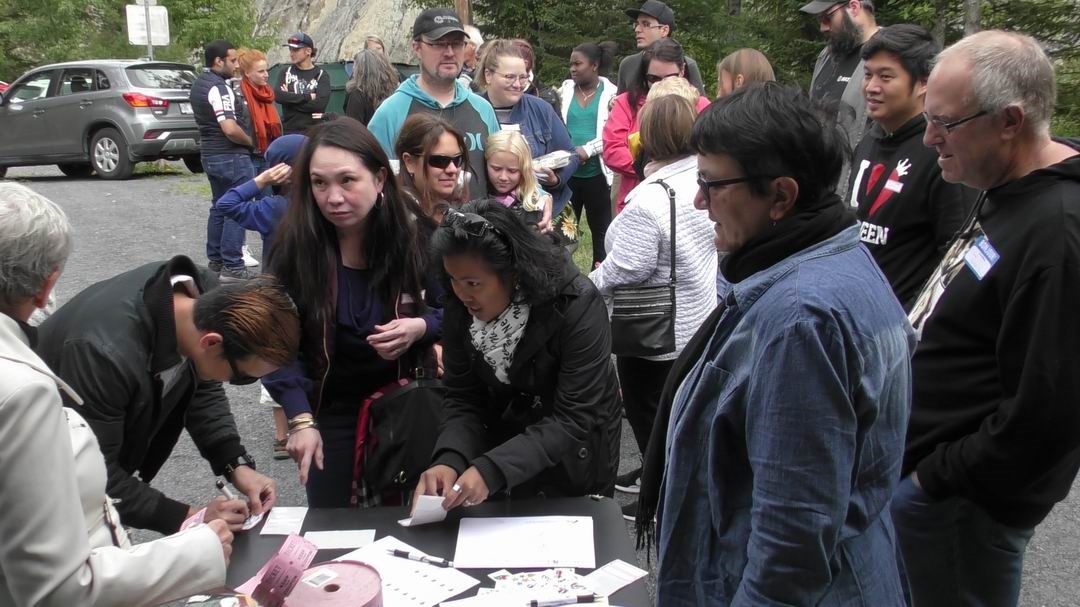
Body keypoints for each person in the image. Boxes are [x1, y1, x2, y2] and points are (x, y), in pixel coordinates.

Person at [636, 83, 914, 605]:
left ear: (781, 196)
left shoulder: (800, 320)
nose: (698, 201)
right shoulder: (836, 256)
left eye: (711, 184)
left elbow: (792, 543)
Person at [897, 31, 1080, 607]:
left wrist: (933, 480)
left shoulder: (1058, 234)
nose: (929, 139)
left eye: (945, 123)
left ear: (1010, 121)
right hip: (939, 491)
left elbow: (1048, 413)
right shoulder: (1007, 183)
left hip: (963, 506)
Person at [0, 183, 234, 606]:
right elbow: (58, 589)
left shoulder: (181, 298)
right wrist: (198, 547)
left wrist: (232, 458)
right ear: (46, 285)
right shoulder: (24, 391)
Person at [37, 258, 297, 535]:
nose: (236, 382)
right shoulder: (103, 355)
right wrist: (190, 519)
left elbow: (199, 383)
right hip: (40, 485)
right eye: (243, 376)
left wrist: (235, 463)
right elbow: (93, 477)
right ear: (211, 342)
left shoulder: (202, 301)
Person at [264, 117, 444, 508]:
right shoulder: (294, 248)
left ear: (379, 179)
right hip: (330, 412)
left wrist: (421, 326)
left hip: (409, 403)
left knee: (416, 522)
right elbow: (274, 341)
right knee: (333, 527)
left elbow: (461, 313)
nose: (333, 197)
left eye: (347, 180)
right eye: (319, 183)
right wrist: (299, 418)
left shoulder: (417, 237)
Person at [414, 201, 622, 509]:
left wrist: (492, 470)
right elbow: (463, 397)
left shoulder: (577, 304)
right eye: (453, 279)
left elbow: (574, 416)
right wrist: (450, 457)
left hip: (575, 456)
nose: (462, 294)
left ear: (513, 273)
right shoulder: (460, 308)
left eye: (473, 283)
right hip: (505, 451)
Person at [589, 94, 717, 522]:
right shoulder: (700, 179)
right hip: (697, 315)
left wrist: (590, 285)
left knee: (652, 417)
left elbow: (629, 266)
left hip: (655, 332)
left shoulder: (651, 200)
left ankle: (660, 497)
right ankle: (663, 479)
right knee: (678, 412)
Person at [847, 25, 974, 311]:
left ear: (923, 83)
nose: (871, 87)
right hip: (856, 314)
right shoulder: (868, 141)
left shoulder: (941, 154)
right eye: (867, 74)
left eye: (886, 76)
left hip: (904, 323)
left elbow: (955, 258)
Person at [216, 133, 308, 461]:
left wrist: (261, 180)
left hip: (276, 296)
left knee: (276, 356)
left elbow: (226, 204)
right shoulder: (317, 206)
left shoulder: (273, 208)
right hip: (311, 294)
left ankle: (283, 434)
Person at [368, 8, 499, 195]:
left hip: (481, 214)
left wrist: (535, 195)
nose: (449, 52)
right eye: (438, 44)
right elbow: (373, 185)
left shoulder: (483, 109)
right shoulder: (390, 113)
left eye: (457, 44)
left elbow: (505, 173)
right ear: (417, 48)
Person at [604, 39, 711, 214]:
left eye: (669, 77)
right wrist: (646, 168)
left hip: (690, 198)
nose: (661, 84)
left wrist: (673, 170)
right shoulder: (626, 103)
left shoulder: (700, 104)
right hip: (637, 195)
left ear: (682, 70)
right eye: (654, 79)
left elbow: (711, 149)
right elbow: (613, 149)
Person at [477, 39, 579, 216]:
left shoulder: (541, 109)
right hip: (486, 213)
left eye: (523, 77)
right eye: (509, 77)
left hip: (540, 212)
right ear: (488, 75)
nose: (518, 84)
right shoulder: (472, 109)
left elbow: (571, 154)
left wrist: (555, 180)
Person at [190, 39, 257, 282]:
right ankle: (233, 266)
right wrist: (250, 142)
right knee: (236, 207)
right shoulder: (219, 88)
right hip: (231, 156)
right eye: (233, 60)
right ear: (218, 61)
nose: (237, 65)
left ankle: (216, 263)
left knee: (219, 206)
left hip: (210, 155)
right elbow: (229, 127)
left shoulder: (199, 84)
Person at [800, 0, 880, 199]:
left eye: (828, 17)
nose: (823, 27)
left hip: (860, 190)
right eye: (820, 19)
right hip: (821, 189)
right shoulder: (826, 57)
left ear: (854, 7)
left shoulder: (887, 57)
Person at [558, 41, 618, 267]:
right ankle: (563, 275)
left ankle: (599, 276)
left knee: (602, 231)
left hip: (598, 175)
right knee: (563, 230)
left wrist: (587, 150)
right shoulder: (564, 92)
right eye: (571, 64)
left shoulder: (612, 94)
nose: (572, 69)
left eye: (578, 64)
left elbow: (613, 132)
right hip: (568, 174)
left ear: (594, 65)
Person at [395, 113, 471, 225]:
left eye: (457, 160)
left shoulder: (464, 210)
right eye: (439, 160)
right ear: (409, 162)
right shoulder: (394, 218)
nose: (452, 169)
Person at [616, 0, 704, 94]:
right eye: (637, 24)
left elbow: (699, 101)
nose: (637, 29)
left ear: (664, 30)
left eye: (646, 24)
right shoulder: (628, 64)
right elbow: (620, 101)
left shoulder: (687, 65)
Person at [485, 130, 553, 231]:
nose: (503, 177)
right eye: (496, 169)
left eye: (512, 171)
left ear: (524, 170)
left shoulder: (533, 205)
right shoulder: (479, 193)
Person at [234, 48, 282, 173]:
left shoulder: (267, 94)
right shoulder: (238, 95)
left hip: (268, 154)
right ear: (247, 73)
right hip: (248, 155)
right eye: (261, 71)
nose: (266, 75)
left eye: (266, 70)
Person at [275, 32, 331, 135]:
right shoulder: (286, 72)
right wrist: (308, 97)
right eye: (290, 49)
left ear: (308, 51)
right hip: (289, 132)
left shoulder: (321, 75)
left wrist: (289, 101)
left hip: (314, 133)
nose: (291, 53)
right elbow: (278, 96)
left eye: (296, 50)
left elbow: (319, 105)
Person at [344, 48, 400, 125]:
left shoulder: (357, 94)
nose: (353, 68)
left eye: (355, 64)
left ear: (362, 70)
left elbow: (352, 126)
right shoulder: (395, 90)